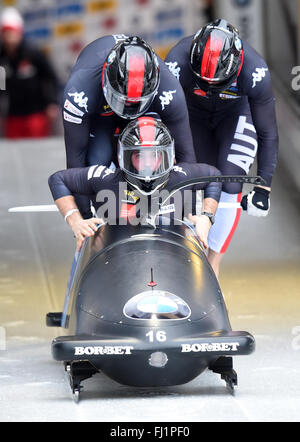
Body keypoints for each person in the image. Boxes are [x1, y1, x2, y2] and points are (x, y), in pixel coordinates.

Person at [165, 19, 279, 277]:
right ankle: (189, 250)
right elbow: (164, 115)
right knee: (194, 178)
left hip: (237, 115)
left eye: (219, 81)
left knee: (230, 180)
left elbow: (267, 132)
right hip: (193, 116)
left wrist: (263, 187)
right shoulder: (177, 61)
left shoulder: (255, 70)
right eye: (205, 81)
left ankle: (212, 265)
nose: (212, 86)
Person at [62, 34, 197, 220]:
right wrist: (85, 217)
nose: (127, 109)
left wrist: (187, 212)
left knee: (152, 151)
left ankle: (152, 207)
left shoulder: (170, 91)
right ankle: (107, 213)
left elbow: (186, 155)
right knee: (97, 159)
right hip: (100, 114)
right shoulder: (79, 94)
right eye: (123, 100)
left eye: (134, 102)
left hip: (145, 111)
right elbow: (75, 161)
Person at [49, 116, 221, 253]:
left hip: (170, 254)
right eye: (139, 157)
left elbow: (214, 176)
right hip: (114, 256)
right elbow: (58, 180)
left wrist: (207, 217)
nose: (147, 165)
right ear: (125, 158)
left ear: (166, 158)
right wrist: (75, 220)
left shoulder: (180, 176)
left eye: (153, 157)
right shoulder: (106, 179)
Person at [0, 7, 59, 138]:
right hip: (13, 116)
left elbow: (50, 77)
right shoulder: (2, 58)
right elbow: (1, 85)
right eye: (6, 33)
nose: (9, 38)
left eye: (12, 33)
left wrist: (52, 103)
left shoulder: (33, 53)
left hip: (36, 115)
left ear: (19, 33)